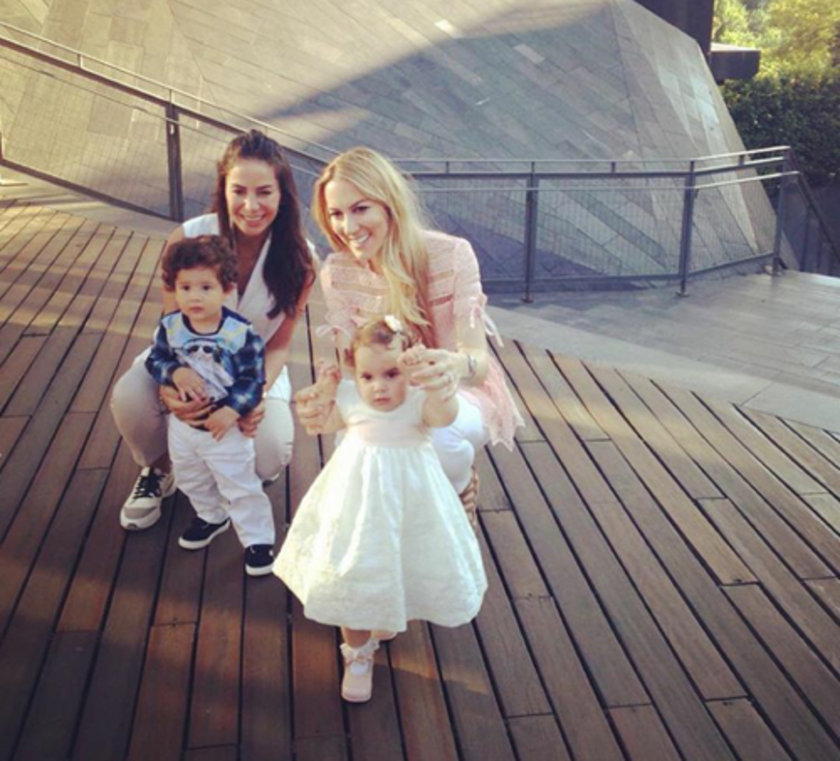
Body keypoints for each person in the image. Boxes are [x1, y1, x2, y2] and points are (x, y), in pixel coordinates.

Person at [297, 146, 523, 523]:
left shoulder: (452, 255)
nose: (348, 227)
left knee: (437, 440)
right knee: (354, 452)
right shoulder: (337, 272)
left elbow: (478, 365)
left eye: (360, 209)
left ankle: (456, 492)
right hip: (387, 389)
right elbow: (353, 370)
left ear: (389, 204)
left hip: (458, 393)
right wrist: (329, 390)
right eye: (336, 214)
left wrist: (452, 366)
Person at [111, 129, 315, 532]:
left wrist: (253, 396)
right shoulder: (187, 237)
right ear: (223, 189)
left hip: (251, 370)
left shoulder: (302, 260)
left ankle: (223, 468)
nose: (251, 206)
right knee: (130, 398)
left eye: (264, 192)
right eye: (239, 191)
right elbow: (171, 328)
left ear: (283, 195)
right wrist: (169, 384)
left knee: (270, 452)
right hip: (184, 359)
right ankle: (159, 468)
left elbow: (278, 345)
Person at [274, 316, 487, 702]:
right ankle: (357, 653)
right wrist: (324, 393)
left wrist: (437, 384)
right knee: (357, 567)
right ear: (354, 372)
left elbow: (445, 416)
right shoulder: (350, 397)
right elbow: (323, 423)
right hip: (357, 504)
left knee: (400, 560)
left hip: (410, 503)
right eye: (368, 376)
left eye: (391, 374)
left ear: (409, 368)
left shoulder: (420, 402)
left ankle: (386, 610)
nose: (380, 387)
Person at [145, 235, 275, 575]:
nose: (194, 296)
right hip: (184, 426)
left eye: (205, 287)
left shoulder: (239, 333)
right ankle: (211, 515)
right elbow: (155, 360)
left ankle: (258, 539)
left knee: (239, 484)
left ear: (226, 289)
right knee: (189, 476)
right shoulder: (171, 327)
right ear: (173, 288)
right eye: (185, 287)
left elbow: (253, 379)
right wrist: (175, 372)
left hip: (225, 428)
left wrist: (232, 410)